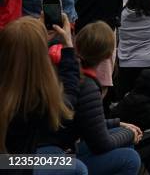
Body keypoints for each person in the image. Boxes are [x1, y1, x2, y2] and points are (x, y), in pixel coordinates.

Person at [0, 15, 87, 174]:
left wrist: (33, 35)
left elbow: (20, 57)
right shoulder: (37, 103)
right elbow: (68, 100)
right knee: (77, 168)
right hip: (18, 163)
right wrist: (67, 46)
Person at [67, 21, 142, 175]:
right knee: (131, 159)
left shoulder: (71, 73)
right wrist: (130, 134)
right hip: (54, 156)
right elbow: (101, 144)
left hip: (35, 152)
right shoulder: (87, 86)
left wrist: (119, 123)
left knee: (122, 137)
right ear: (109, 55)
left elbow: (87, 122)